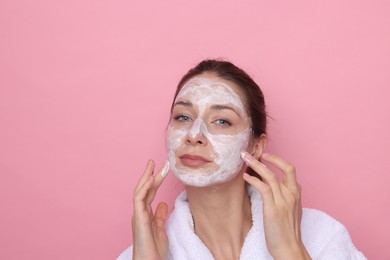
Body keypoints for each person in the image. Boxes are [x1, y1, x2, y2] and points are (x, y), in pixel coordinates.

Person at [118, 60, 366, 260]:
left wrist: (290, 251)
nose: (194, 135)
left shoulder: (321, 237)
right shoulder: (140, 255)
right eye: (182, 117)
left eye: (222, 121)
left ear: (255, 146)